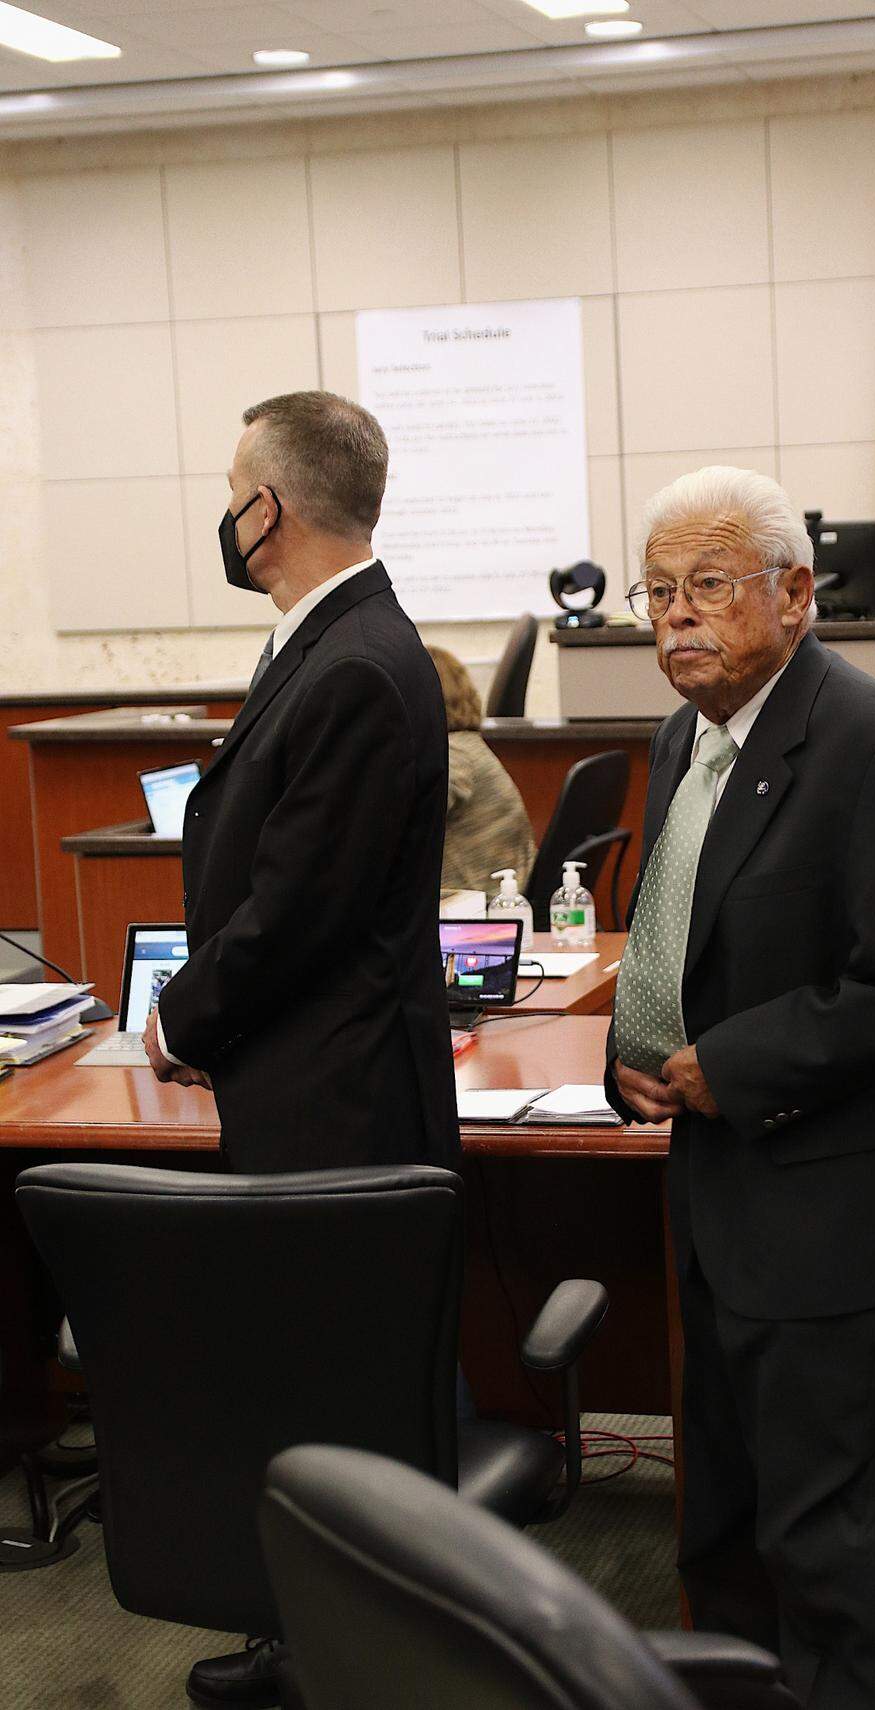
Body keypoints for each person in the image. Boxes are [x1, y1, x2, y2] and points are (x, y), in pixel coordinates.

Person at [606, 467, 875, 1710]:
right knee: (719, 1525)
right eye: (657, 592)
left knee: (820, 1554)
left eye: (707, 587)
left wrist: (738, 1066)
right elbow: (679, 929)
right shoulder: (684, 735)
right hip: (719, 1197)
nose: (675, 618)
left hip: (834, 1203)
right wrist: (637, 1046)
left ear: (797, 592)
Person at [141, 390, 459, 1710]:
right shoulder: (329, 642)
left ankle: (359, 1660)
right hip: (310, 1078)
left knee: (339, 1393)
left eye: (232, 488)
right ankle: (318, 1641)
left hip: (337, 1098)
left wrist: (179, 1015)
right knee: (312, 1386)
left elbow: (297, 910)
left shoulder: (354, 662)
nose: (226, 511)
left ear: (268, 506)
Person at [427, 644, 536, 899]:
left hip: (477, 908)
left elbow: (394, 826)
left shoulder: (452, 756)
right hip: (501, 894)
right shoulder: (469, 746)